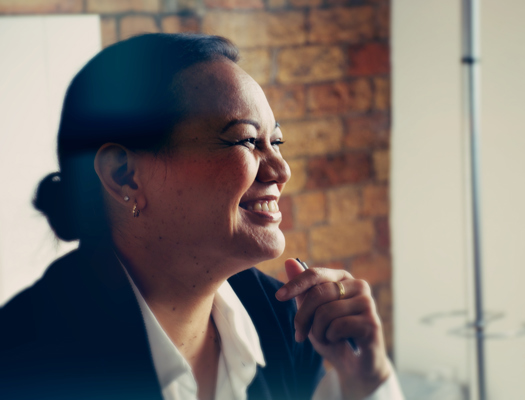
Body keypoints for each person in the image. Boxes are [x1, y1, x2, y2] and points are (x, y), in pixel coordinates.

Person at [0, 33, 402, 400]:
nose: (280, 170)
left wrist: (366, 382)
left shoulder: (287, 326)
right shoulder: (25, 364)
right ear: (124, 174)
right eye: (246, 139)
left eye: (276, 141)